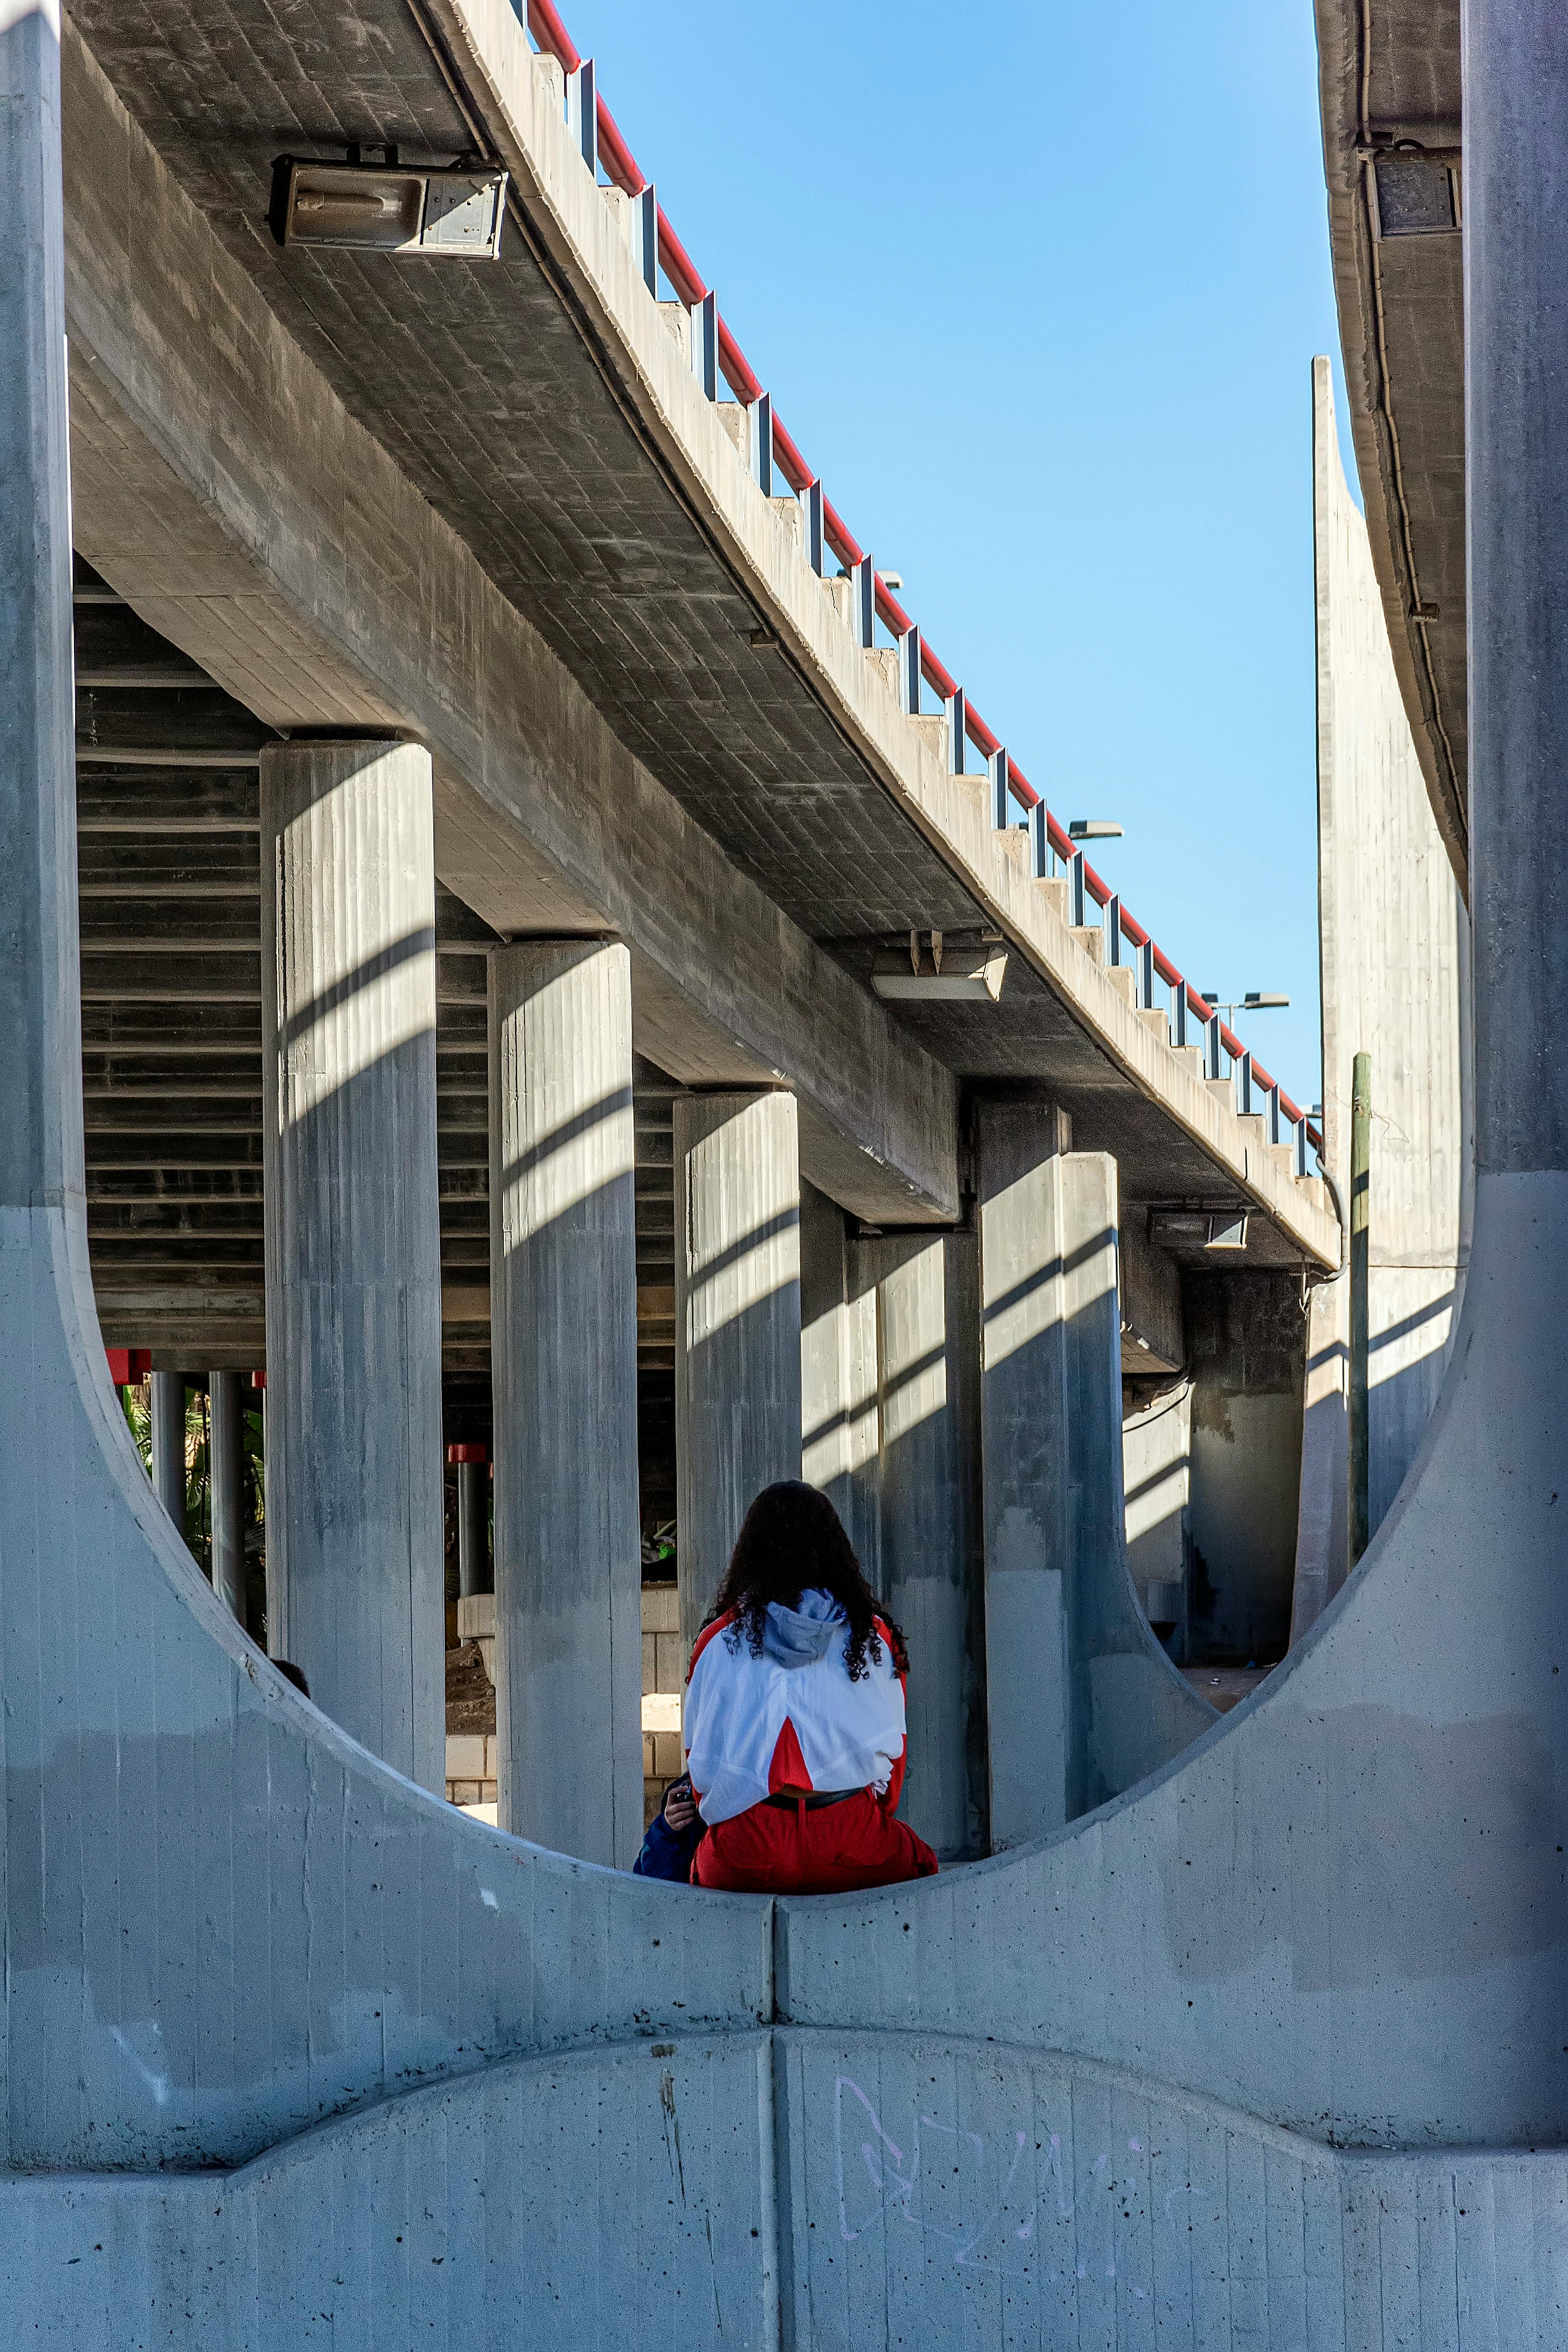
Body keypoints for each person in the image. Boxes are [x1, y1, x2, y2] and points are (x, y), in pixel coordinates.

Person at [681, 1481, 938, 1895]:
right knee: (920, 1864)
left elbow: (700, 1762)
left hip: (750, 1842)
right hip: (850, 1835)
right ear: (833, 1548)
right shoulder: (871, 1637)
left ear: (752, 1550)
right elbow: (893, 1763)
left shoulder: (718, 1639)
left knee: (699, 1869)